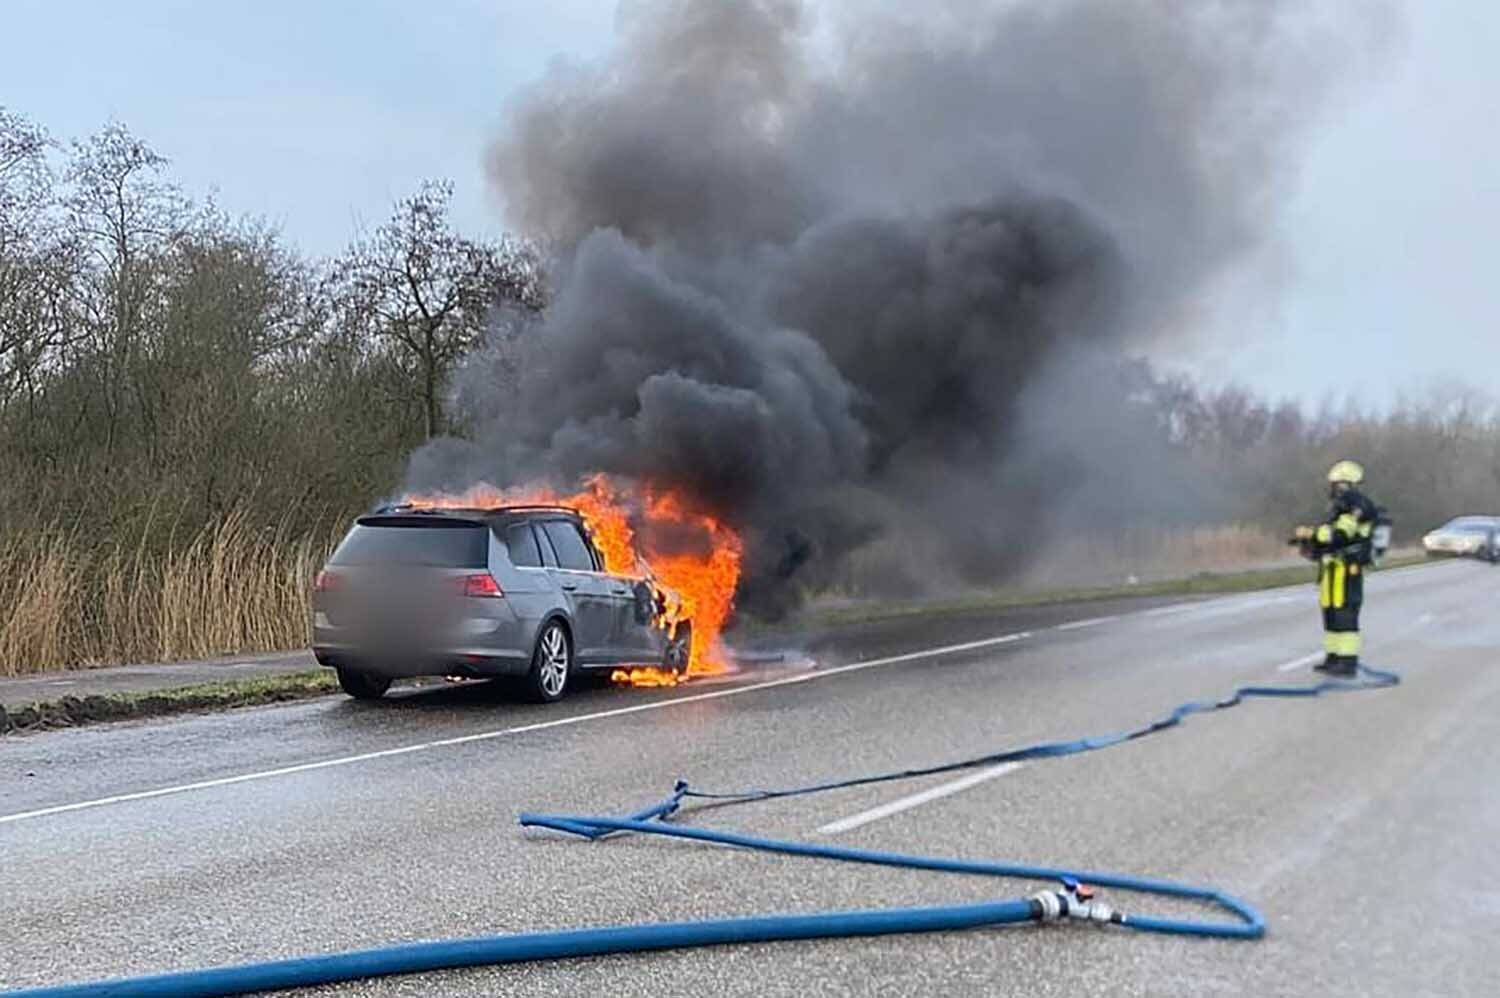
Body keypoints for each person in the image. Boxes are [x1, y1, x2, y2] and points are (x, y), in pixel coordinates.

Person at [1291, 460, 1380, 677]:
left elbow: (1340, 535)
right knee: (1330, 613)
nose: (1333, 490)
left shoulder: (1359, 508)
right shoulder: (1340, 509)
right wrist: (1309, 543)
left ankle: (1348, 662)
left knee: (1345, 615)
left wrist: (1313, 534)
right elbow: (1329, 537)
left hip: (1348, 569)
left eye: (1336, 485)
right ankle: (1333, 658)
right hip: (1332, 569)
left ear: (1344, 485)